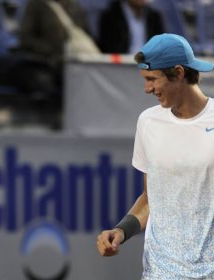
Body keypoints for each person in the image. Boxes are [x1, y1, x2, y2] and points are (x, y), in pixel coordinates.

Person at [96, 33, 214, 279]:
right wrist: (121, 231)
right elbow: (152, 199)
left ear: (179, 73)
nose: (146, 88)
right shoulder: (148, 122)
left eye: (152, 79)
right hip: (158, 273)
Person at [97, 0, 165, 54]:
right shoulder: (110, 16)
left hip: (149, 65)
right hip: (121, 65)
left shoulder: (154, 16)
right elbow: (108, 48)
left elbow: (160, 45)